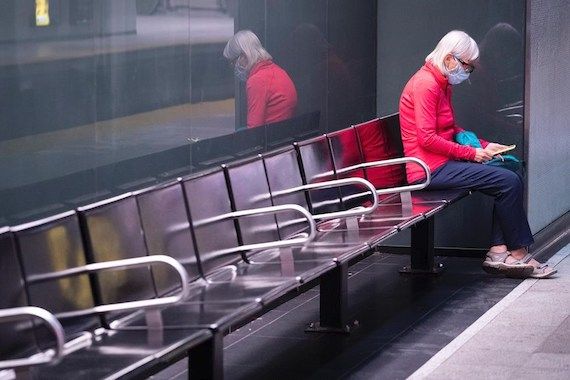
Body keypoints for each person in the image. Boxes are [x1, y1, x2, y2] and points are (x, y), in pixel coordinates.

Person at [398, 30, 555, 279]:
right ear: (450, 59)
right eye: (466, 66)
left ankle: (498, 250)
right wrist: (471, 154)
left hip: (442, 163)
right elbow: (426, 138)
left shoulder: (440, 82)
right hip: (427, 170)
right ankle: (517, 252)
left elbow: (450, 130)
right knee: (507, 181)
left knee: (512, 169)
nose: (467, 73)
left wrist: (484, 145)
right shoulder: (426, 84)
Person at [223, 30, 298, 129]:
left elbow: (254, 129)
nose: (233, 67)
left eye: (233, 62)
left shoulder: (257, 80)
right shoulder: (278, 71)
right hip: (283, 133)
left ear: (244, 56)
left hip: (270, 138)